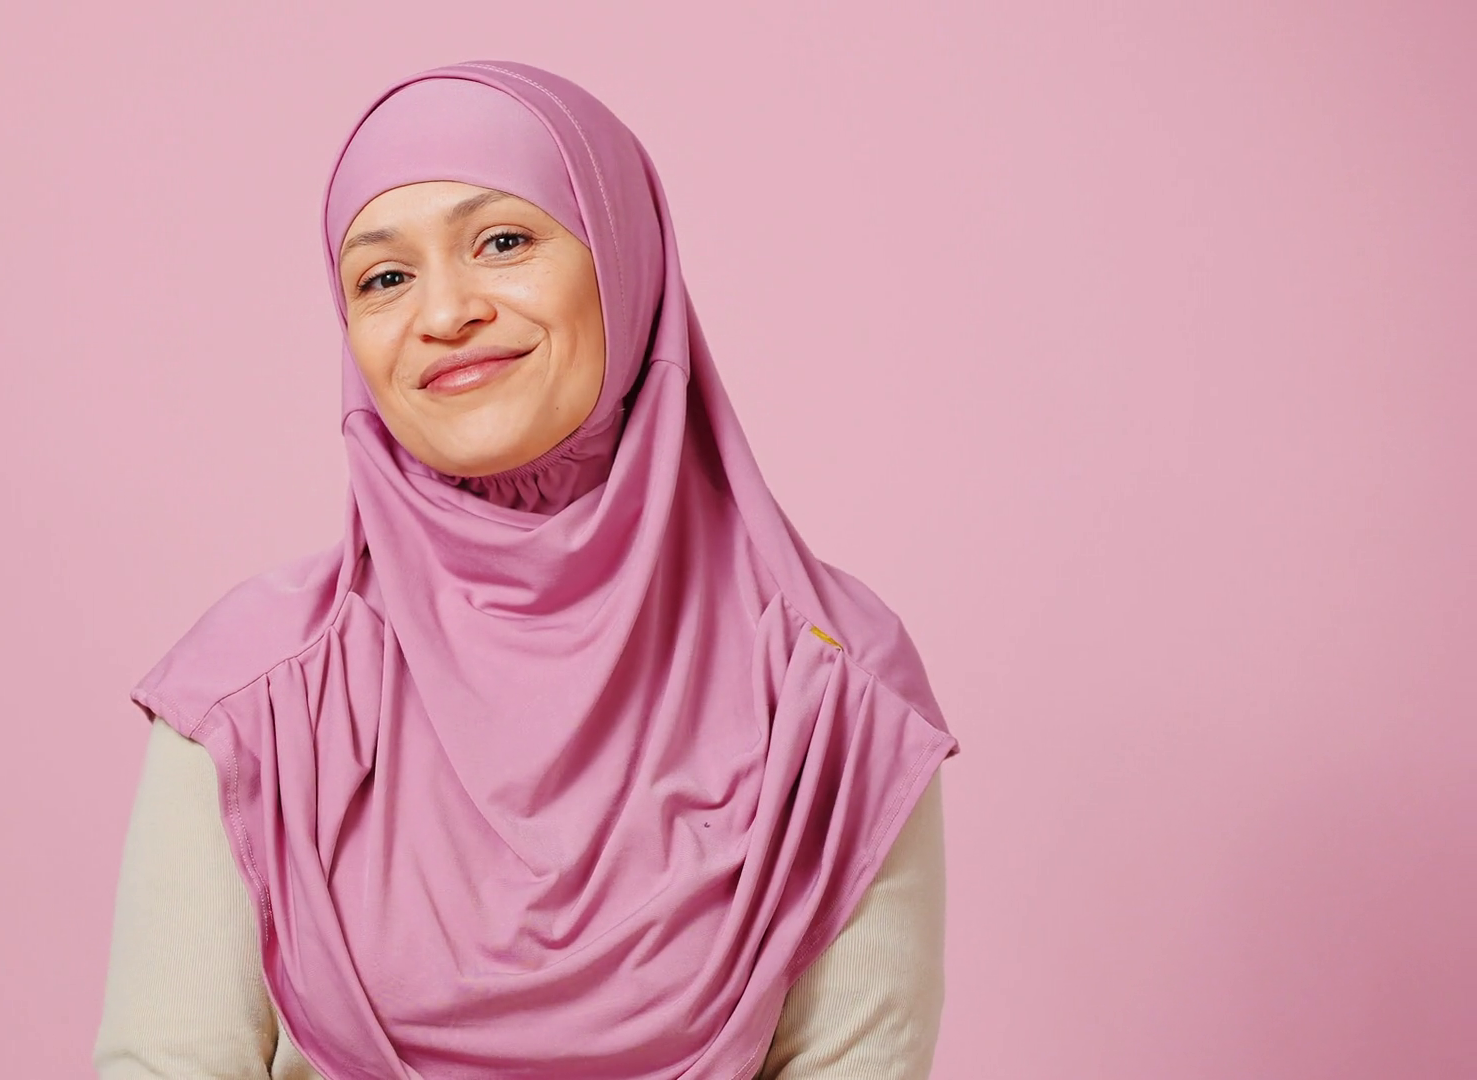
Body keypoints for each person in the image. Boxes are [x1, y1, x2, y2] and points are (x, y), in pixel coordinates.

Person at [94, 62, 960, 1080]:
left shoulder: (829, 686)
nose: (445, 312)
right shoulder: (256, 692)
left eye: (502, 242)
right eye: (384, 278)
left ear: (625, 261)